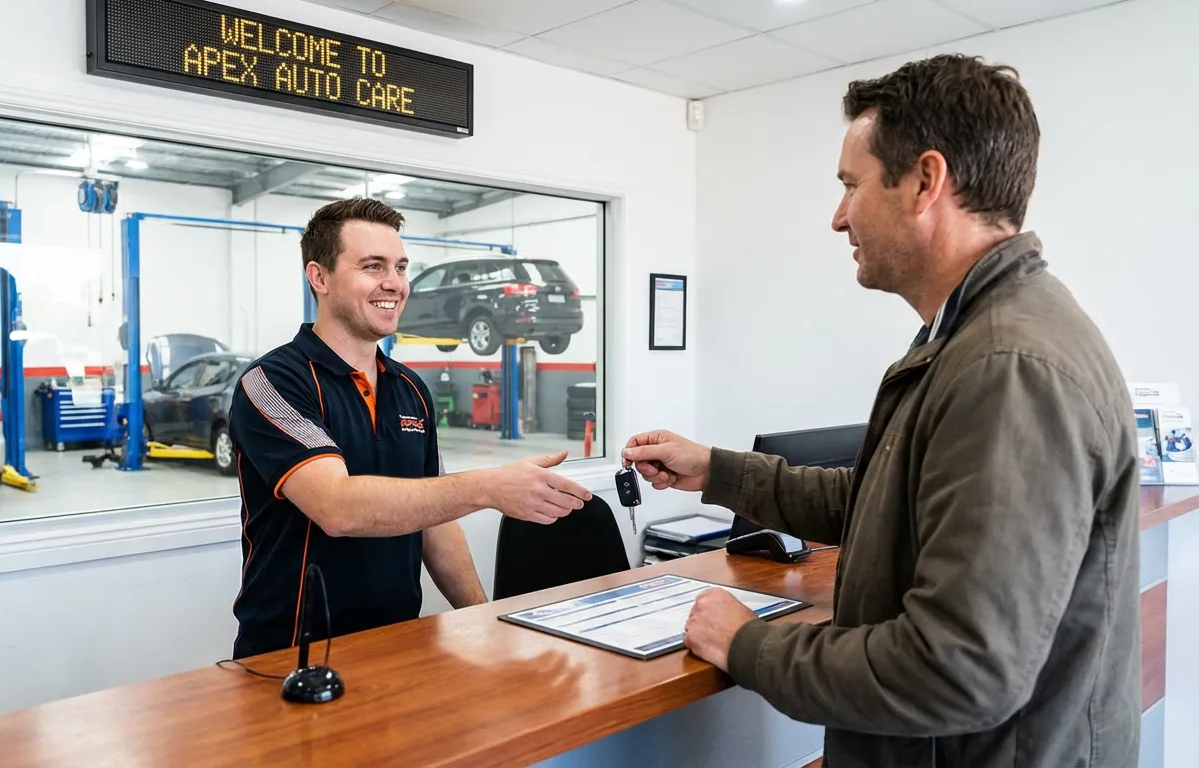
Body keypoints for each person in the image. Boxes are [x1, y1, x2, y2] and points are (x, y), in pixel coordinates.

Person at [623, 54, 1140, 767]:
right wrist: (715, 469)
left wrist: (748, 643)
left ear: (926, 181)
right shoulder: (973, 336)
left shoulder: (1007, 367)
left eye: (851, 185)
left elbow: (955, 668)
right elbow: (879, 502)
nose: (838, 218)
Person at [228, 197, 592, 660]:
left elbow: (434, 524)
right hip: (290, 658)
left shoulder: (411, 390)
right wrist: (489, 487)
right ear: (319, 277)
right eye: (372, 266)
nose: (394, 284)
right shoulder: (273, 383)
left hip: (400, 647)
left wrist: (486, 621)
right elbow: (337, 508)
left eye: (401, 267)